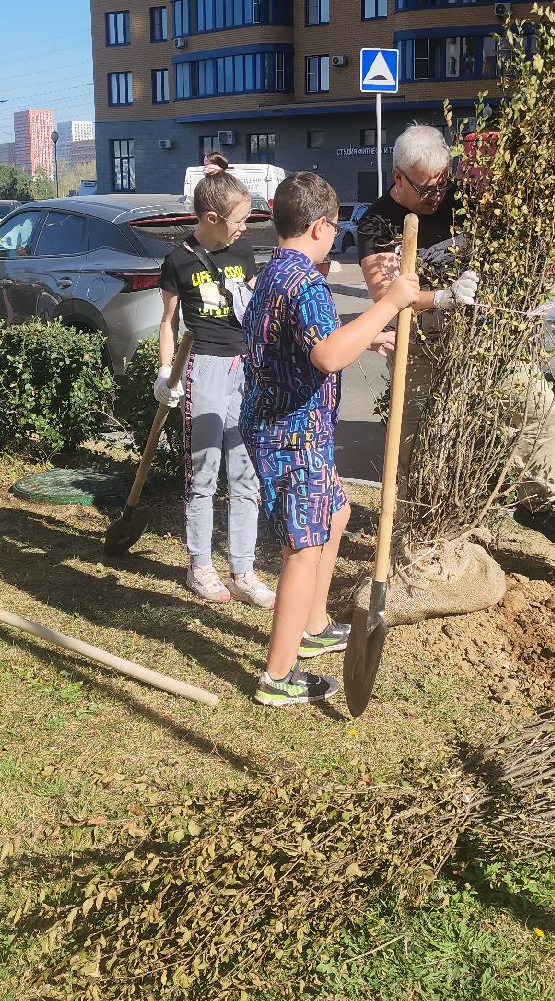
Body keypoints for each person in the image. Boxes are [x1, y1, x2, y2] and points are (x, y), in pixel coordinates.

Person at [242, 172, 419, 707]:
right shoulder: (308, 283)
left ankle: (314, 624)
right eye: (335, 227)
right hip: (293, 434)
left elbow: (301, 344)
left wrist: (369, 337)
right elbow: (324, 355)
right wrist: (389, 305)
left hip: (284, 426)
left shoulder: (277, 271)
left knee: (336, 514)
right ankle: (278, 675)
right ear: (320, 225)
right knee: (304, 547)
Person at [360, 124, 555, 550]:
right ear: (399, 176)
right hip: (420, 342)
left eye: (441, 184)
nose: (436, 196)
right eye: (425, 188)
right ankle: (410, 528)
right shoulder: (376, 222)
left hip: (480, 339)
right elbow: (385, 295)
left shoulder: (462, 200)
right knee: (414, 438)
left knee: (539, 409)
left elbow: (509, 240)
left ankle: (536, 506)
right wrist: (439, 297)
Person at [153, 168, 273, 607]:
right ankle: (199, 566)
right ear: (210, 216)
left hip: (244, 369)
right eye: (239, 219)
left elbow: (256, 305)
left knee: (245, 474)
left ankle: (243, 570)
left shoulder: (242, 249)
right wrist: (167, 372)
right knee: (203, 472)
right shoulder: (178, 260)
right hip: (202, 367)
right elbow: (167, 322)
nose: (245, 227)